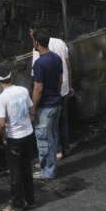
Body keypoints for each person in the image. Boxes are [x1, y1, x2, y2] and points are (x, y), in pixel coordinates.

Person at [0, 65, 36, 211]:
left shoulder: (2, 98)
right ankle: (30, 200)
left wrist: (4, 138)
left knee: (15, 174)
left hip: (14, 138)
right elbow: (32, 111)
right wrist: (29, 120)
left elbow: (1, 124)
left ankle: (17, 205)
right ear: (11, 77)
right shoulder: (24, 90)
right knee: (27, 168)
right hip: (28, 134)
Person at [30, 29, 63, 181]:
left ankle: (48, 171)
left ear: (37, 43)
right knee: (53, 137)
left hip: (45, 106)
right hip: (56, 102)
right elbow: (60, 80)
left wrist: (33, 108)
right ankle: (49, 165)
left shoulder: (39, 63)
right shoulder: (56, 58)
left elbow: (38, 88)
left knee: (44, 140)